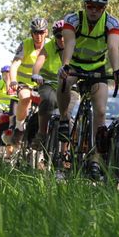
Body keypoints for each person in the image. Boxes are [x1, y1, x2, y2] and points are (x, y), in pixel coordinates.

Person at [57, 0, 119, 180]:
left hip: (97, 68)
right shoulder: (73, 20)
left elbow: (113, 47)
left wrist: (117, 70)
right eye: (90, 6)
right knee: (64, 82)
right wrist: (66, 65)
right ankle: (63, 118)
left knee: (101, 111)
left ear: (104, 8)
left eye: (99, 7)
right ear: (84, 6)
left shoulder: (111, 23)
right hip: (76, 65)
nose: (94, 10)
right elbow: (69, 43)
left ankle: (95, 158)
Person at [30, 20, 78, 150]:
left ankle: (65, 152)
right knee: (47, 100)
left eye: (64, 36)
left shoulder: (75, 46)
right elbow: (38, 63)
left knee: (67, 115)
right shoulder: (49, 46)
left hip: (69, 87)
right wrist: (36, 74)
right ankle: (42, 134)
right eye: (58, 36)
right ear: (54, 36)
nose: (62, 39)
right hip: (49, 83)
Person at [9, 17, 48, 142]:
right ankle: (19, 127)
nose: (38, 36)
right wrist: (13, 81)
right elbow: (15, 64)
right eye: (36, 32)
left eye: (41, 32)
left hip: (44, 83)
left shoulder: (51, 45)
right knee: (25, 97)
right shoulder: (25, 44)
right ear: (31, 33)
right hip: (24, 83)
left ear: (46, 32)